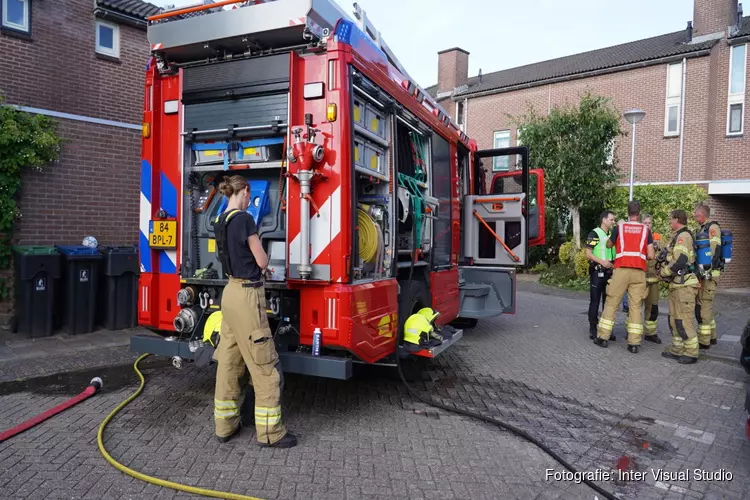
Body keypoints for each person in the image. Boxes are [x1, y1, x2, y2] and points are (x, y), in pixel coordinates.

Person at [212, 174, 297, 447]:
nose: (251, 200)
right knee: (263, 365)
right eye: (250, 196)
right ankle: (271, 434)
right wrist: (266, 259)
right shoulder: (245, 219)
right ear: (245, 192)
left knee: (229, 362)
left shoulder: (219, 221)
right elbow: (261, 260)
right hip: (248, 296)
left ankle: (225, 427)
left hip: (229, 293)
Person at [595, 200, 654, 352]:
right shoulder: (646, 230)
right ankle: (634, 343)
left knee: (612, 303)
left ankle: (602, 337)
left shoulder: (619, 228)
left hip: (621, 270)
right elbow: (651, 255)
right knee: (635, 307)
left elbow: (609, 245)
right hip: (639, 272)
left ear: (627, 213)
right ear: (639, 214)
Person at [659, 209, 700, 364]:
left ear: (677, 219)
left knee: (684, 320)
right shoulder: (677, 237)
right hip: (677, 285)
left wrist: (664, 272)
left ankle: (691, 352)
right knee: (674, 319)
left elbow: (681, 260)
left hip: (685, 286)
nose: (670, 222)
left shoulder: (683, 237)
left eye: (671, 219)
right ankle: (677, 349)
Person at [693, 203, 722, 349]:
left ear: (703, 214)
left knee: (704, 306)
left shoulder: (712, 228)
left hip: (709, 275)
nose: (694, 216)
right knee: (705, 305)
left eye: (696, 214)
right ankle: (712, 336)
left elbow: (714, 250)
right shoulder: (704, 227)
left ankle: (704, 341)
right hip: (704, 274)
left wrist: (705, 269)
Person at [585, 210, 616, 340]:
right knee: (595, 301)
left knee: (608, 303)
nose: (613, 222)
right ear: (604, 220)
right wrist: (602, 261)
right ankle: (593, 328)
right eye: (611, 219)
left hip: (610, 273)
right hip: (598, 272)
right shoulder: (595, 233)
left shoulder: (612, 234)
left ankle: (606, 330)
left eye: (614, 220)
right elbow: (588, 253)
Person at [641, 214, 663, 344]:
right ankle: (631, 331)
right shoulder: (638, 236)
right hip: (640, 276)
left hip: (653, 278)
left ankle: (650, 333)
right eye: (644, 223)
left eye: (649, 223)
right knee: (635, 306)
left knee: (653, 307)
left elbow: (661, 254)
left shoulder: (657, 237)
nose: (647, 225)